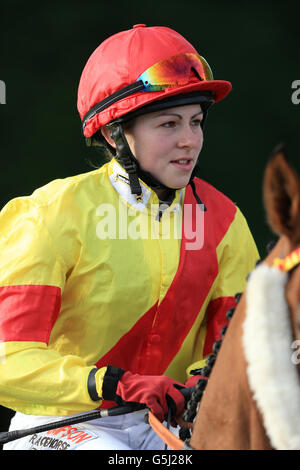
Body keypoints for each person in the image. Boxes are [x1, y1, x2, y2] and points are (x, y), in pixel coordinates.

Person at [0, 24, 259, 450]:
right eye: (169, 124)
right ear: (114, 132)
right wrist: (111, 383)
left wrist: (204, 381)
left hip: (171, 425)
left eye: (196, 122)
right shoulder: (49, 215)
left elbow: (234, 343)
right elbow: (11, 359)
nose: (189, 141)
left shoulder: (226, 221)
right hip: (65, 421)